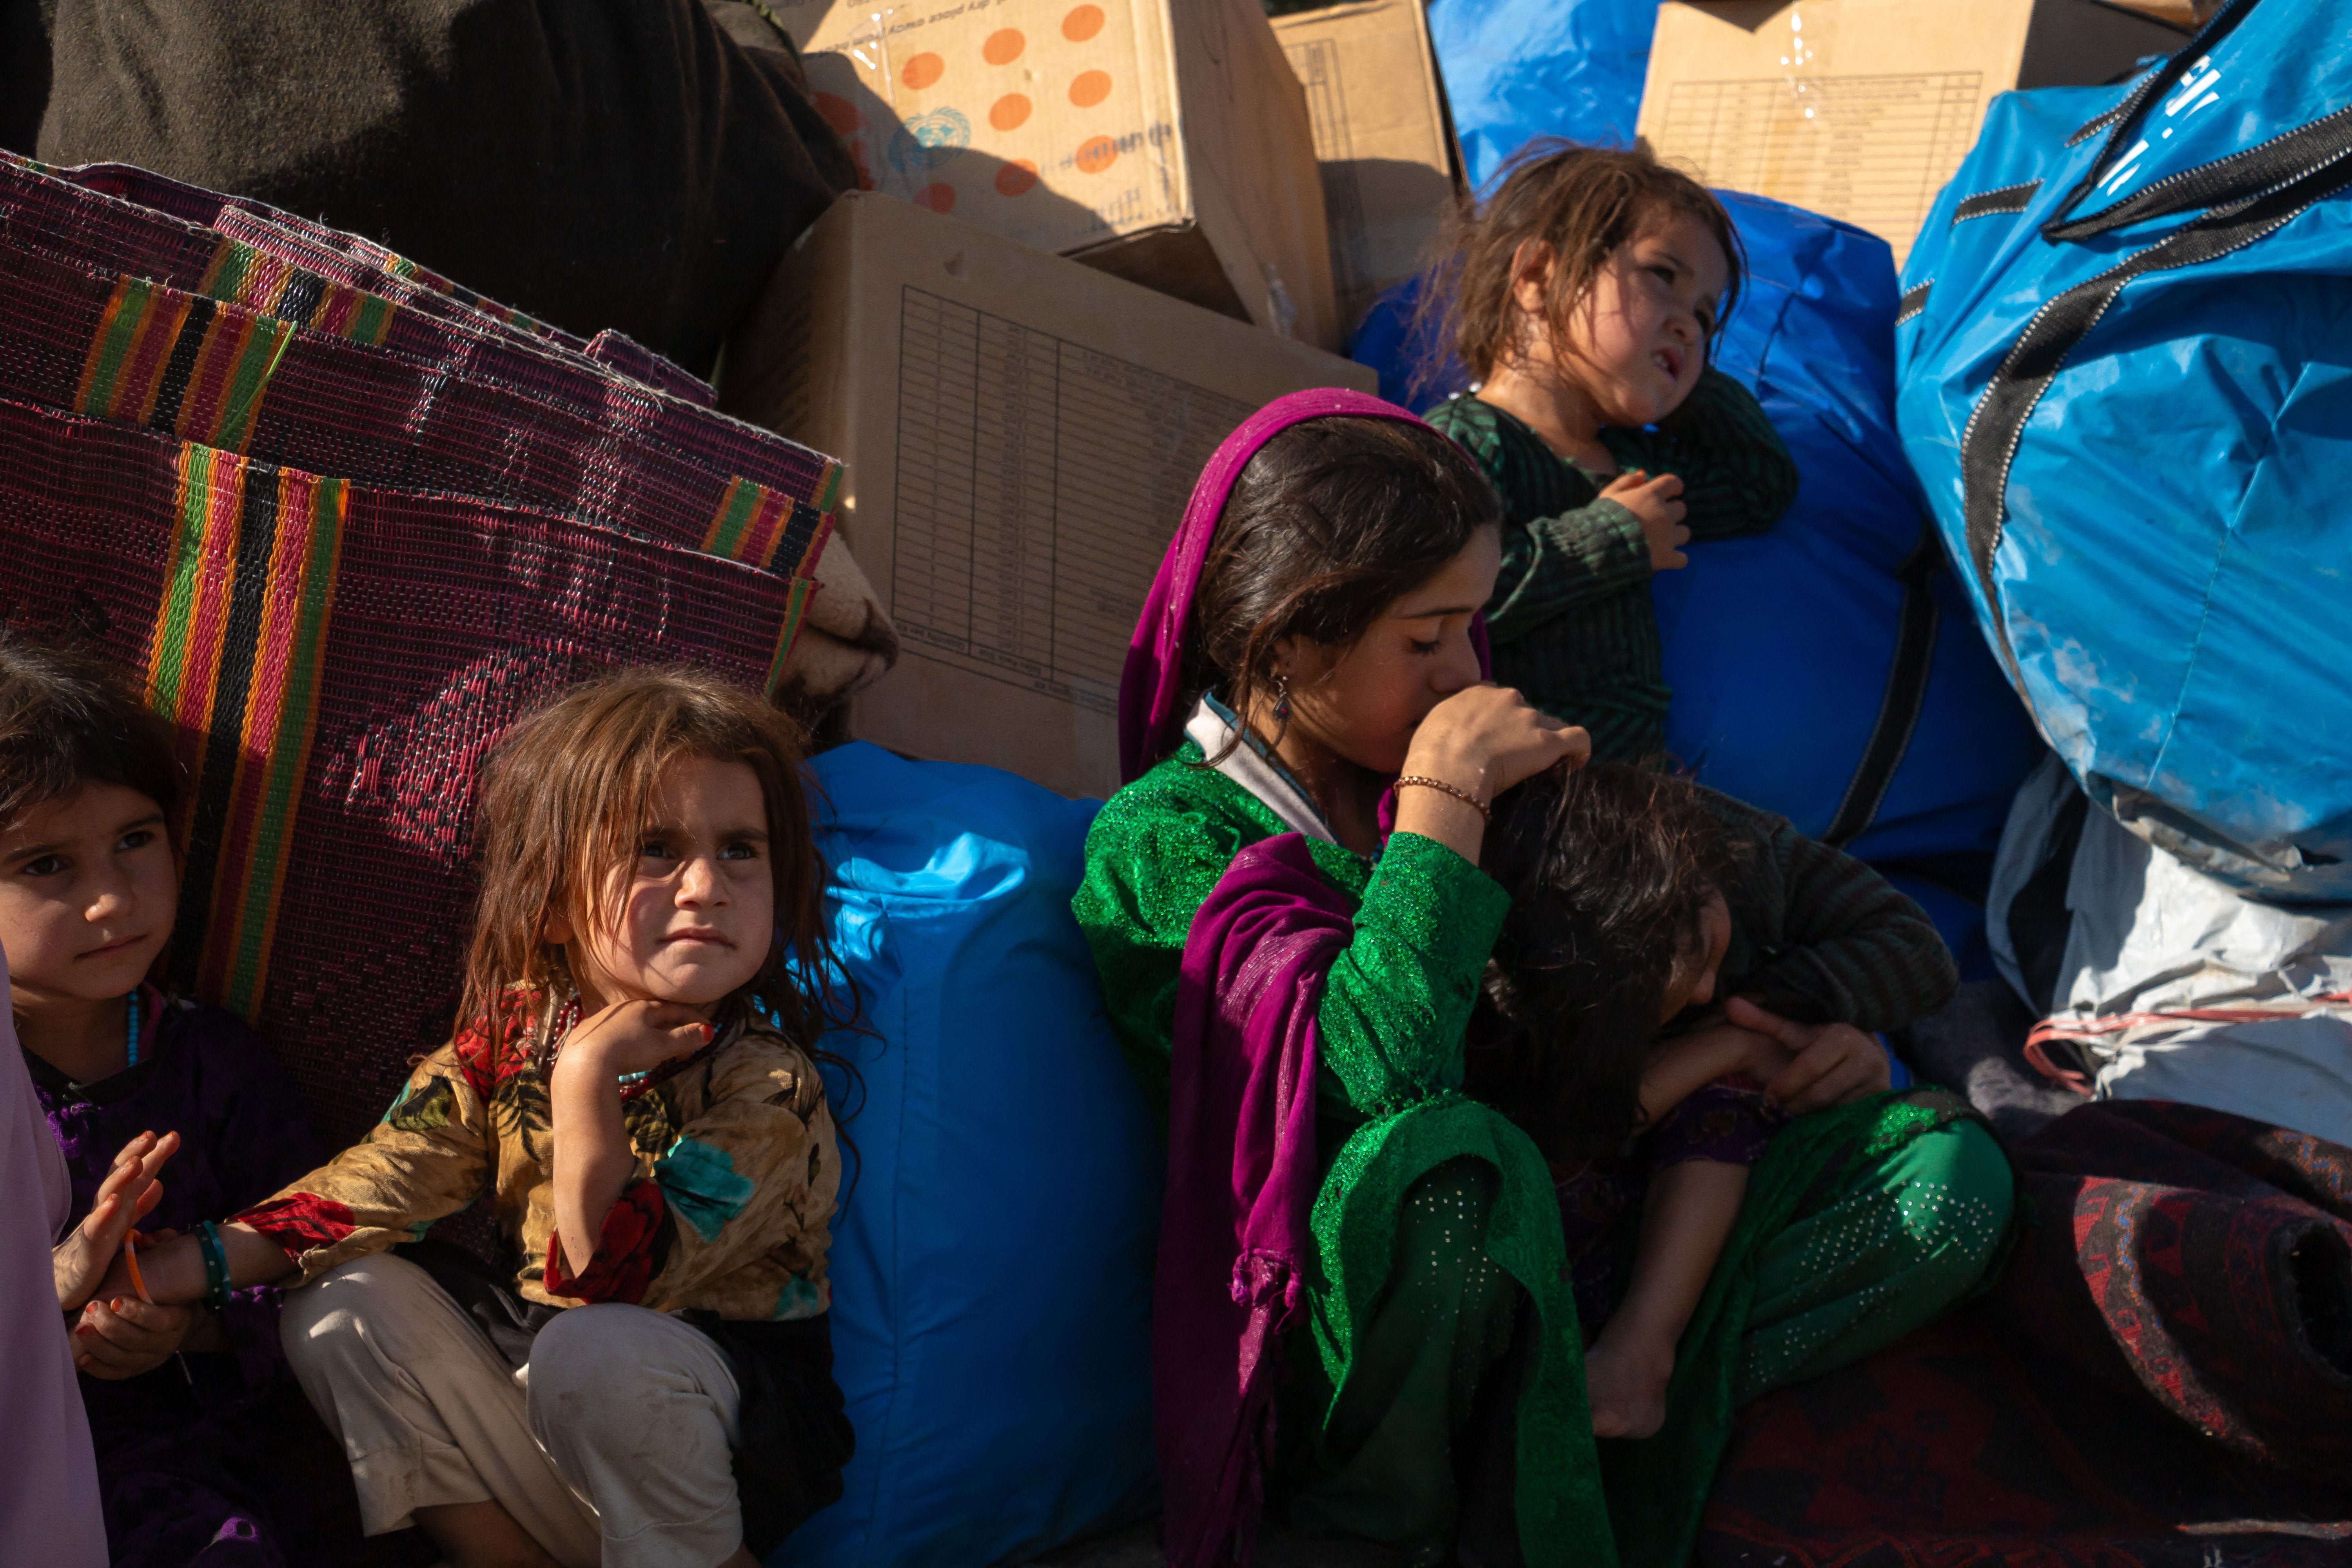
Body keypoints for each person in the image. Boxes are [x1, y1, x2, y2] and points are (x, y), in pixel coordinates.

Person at [1078, 388, 2008, 1568]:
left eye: (1474, 626)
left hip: (1606, 1258)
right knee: (1453, 1168)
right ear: (1288, 639)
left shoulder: (1501, 753)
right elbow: (1373, 1092)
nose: (1464, 669)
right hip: (1383, 1331)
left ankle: (1607, 1411)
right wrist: (1442, 817)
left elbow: (1839, 908)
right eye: (1425, 640)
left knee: (1949, 1175)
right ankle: (1400, 1530)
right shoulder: (1169, 844)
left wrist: (1792, 1026)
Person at [96, 667, 856, 1568]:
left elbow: (610, 1275)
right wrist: (179, 1265)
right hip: (558, 1414)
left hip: (718, 1452)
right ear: (555, 903)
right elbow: (385, 1177)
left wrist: (584, 1081)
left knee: (595, 1352)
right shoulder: (512, 1039)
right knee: (340, 1301)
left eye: (740, 848)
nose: (705, 886)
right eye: (655, 848)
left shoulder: (766, 1086)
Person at [1471, 763, 2007, 1451]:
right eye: (1665, 997)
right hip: (1575, 1181)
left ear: (1694, 869)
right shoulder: (1516, 944)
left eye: (1706, 954)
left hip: (1703, 1162)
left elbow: (1916, 958)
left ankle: (1647, 1356)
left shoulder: (1749, 855)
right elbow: (1560, 1137)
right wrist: (1727, 1047)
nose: (1702, 991)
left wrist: (1740, 1028)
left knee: (1760, 1112)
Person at [2, 637, 333, 1566]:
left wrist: (187, 1325)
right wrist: (47, 1290)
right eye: (47, 866)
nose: (113, 898)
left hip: (180, 1466)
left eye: (135, 840)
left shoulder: (214, 1066)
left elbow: (314, 1239)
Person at [1419, 142, 1800, 766]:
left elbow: (1761, 483)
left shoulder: (1632, 465)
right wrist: (1612, 539)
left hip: (1638, 787)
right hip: (1526, 793)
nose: (1689, 323)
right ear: (1538, 279)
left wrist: (1682, 367)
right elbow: (1449, 606)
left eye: (1707, 315)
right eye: (1663, 277)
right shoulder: (1468, 435)